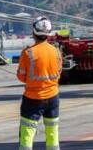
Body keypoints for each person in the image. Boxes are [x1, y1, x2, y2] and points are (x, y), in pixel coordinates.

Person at [16, 17, 62, 150]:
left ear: (34, 32)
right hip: (53, 98)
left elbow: (21, 76)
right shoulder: (56, 52)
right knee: (52, 134)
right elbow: (58, 74)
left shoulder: (27, 52)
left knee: (27, 136)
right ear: (48, 34)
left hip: (33, 99)